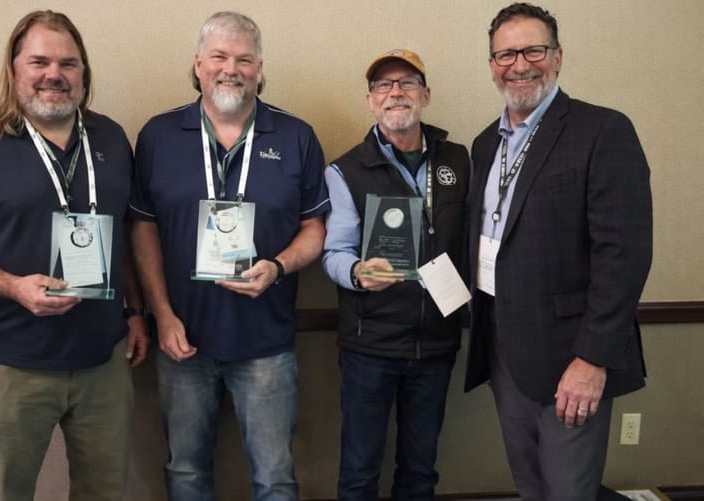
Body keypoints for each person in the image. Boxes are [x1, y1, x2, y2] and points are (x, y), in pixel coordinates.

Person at [0, 10, 148, 501]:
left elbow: (124, 233)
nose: (54, 75)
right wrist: (12, 286)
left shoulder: (110, 139)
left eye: (69, 63)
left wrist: (133, 311)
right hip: (11, 363)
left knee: (105, 493)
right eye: (39, 61)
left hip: (101, 363)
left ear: (84, 73)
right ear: (14, 68)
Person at [129, 11, 329, 501]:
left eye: (244, 59)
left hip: (266, 342)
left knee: (275, 476)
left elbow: (315, 228)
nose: (230, 68)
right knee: (186, 473)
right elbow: (143, 229)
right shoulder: (157, 136)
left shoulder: (296, 136)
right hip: (182, 341)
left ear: (260, 68)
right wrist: (161, 315)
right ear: (198, 64)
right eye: (218, 56)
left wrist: (278, 266)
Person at [464, 3, 652, 500]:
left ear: (559, 57)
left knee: (569, 491)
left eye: (534, 50)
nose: (520, 64)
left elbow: (624, 255)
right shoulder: (485, 145)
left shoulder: (602, 131)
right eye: (506, 53)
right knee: (531, 486)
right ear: (491, 65)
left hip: (572, 357)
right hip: (505, 351)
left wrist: (592, 359)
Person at [322, 49, 470, 500]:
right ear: (370, 101)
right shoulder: (345, 170)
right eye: (384, 85)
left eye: (407, 82)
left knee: (421, 473)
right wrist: (356, 272)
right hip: (371, 345)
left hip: (436, 343)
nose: (395, 93)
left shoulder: (459, 161)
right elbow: (333, 253)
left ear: (425, 94)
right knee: (359, 473)